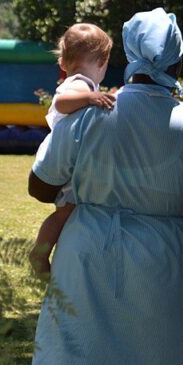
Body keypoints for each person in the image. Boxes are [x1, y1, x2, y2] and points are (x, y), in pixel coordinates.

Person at [27, 7, 183, 365]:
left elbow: (40, 186)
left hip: (88, 254)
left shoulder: (92, 113)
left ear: (126, 54)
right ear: (179, 60)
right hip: (167, 260)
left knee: (78, 364)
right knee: (161, 363)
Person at [29, 23, 116, 277]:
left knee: (67, 215)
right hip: (64, 167)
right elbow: (61, 103)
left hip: (67, 163)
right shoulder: (80, 84)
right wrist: (90, 98)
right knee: (63, 215)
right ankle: (40, 253)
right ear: (102, 62)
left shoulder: (81, 83)